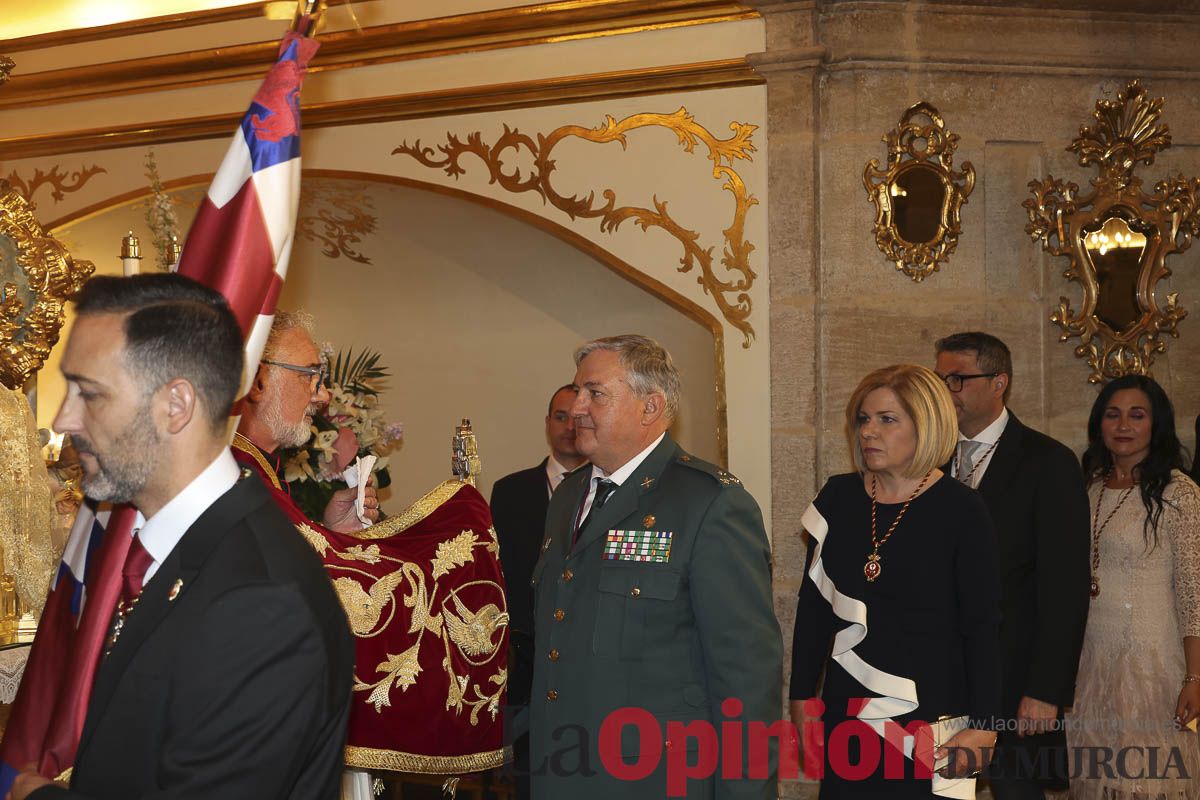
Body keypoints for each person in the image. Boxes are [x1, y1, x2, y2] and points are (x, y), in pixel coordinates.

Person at [13, 273, 354, 800]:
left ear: (176, 405)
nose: (65, 419)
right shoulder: (163, 550)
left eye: (91, 393)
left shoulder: (261, 603)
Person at [529, 334, 781, 799]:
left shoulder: (709, 503)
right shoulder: (568, 496)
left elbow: (746, 678)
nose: (578, 407)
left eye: (595, 393)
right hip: (562, 771)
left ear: (650, 407)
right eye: (577, 390)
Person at [790, 363, 1001, 798]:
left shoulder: (962, 510)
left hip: (935, 710)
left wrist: (985, 727)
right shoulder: (838, 497)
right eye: (864, 419)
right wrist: (802, 696)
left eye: (888, 420)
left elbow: (984, 627)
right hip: (847, 709)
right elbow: (813, 611)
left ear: (925, 425)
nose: (870, 431)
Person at [935, 332, 1090, 798]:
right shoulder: (929, 458)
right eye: (941, 380)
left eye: (958, 379)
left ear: (999, 382)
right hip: (940, 674)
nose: (947, 392)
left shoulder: (1049, 463)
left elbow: (1065, 587)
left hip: (1014, 680)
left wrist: (1046, 689)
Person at [1067, 375, 1200, 800]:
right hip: (1088, 664)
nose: (1123, 425)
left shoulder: (1180, 493)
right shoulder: (1085, 488)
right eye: (1113, 414)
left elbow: (1193, 593)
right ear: (1098, 423)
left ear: (1155, 424)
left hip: (1151, 665)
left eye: (1136, 415)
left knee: (1147, 780)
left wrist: (1195, 676)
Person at [489, 384, 585, 800]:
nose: (568, 427)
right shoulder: (509, 491)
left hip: (583, 656)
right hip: (523, 658)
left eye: (575, 418)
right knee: (527, 775)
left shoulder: (603, 491)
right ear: (547, 424)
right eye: (560, 417)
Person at [233, 309, 379, 531]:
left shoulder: (260, 472)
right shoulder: (228, 481)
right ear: (256, 381)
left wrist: (332, 531)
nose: (324, 395)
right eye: (309, 375)